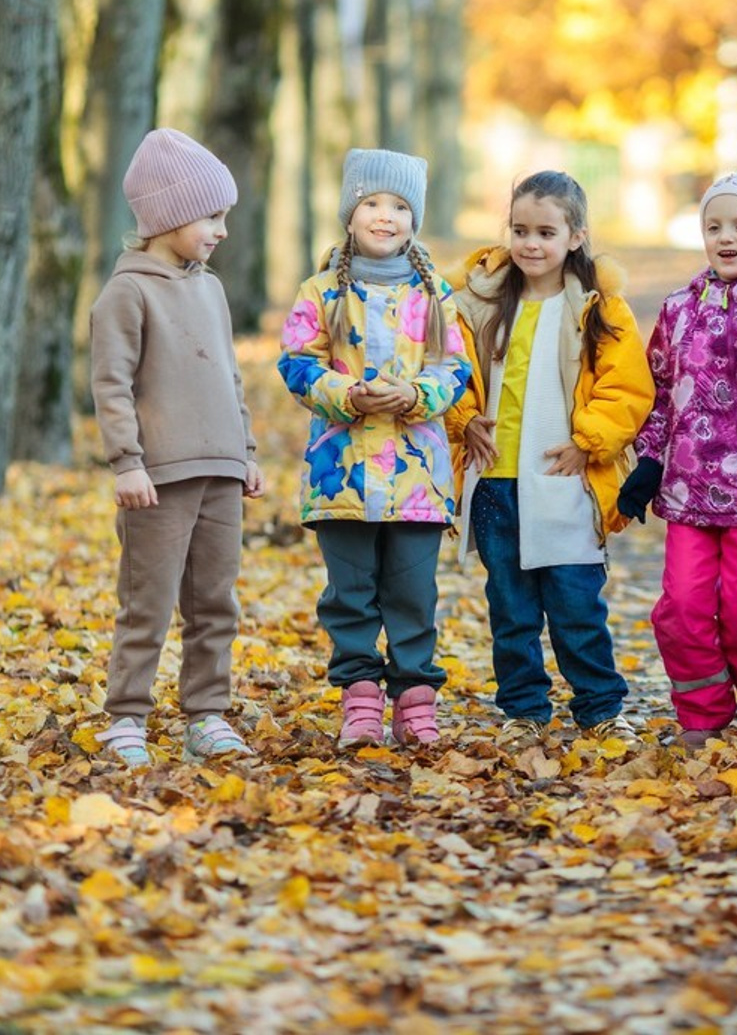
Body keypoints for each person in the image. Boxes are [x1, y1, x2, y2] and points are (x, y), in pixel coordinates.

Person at [445, 171, 655, 749]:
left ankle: (600, 706)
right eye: (519, 230)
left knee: (575, 603)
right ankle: (524, 707)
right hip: (495, 481)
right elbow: (454, 372)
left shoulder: (598, 310)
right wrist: (465, 419)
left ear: (576, 236)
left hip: (566, 479)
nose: (530, 243)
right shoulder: (481, 303)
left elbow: (626, 388)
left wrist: (589, 439)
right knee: (510, 606)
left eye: (545, 231)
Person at [278, 149, 469, 750]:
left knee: (413, 593)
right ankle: (359, 697)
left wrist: (416, 395)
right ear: (350, 213)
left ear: (414, 219)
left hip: (417, 480)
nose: (385, 216)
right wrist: (346, 394)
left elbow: (455, 366)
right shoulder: (321, 290)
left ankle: (416, 698)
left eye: (400, 206)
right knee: (350, 594)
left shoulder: (435, 292)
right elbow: (296, 362)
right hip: (343, 477)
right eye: (372, 204)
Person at [616, 170, 737, 748]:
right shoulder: (679, 309)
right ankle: (702, 715)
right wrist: (649, 463)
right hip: (687, 494)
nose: (726, 237)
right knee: (681, 607)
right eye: (714, 226)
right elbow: (660, 393)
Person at [90, 128, 264, 768]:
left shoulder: (210, 288)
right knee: (148, 603)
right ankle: (126, 717)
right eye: (210, 215)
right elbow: (111, 385)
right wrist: (127, 462)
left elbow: (230, 375)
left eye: (224, 216)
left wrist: (244, 450)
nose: (221, 229)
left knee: (216, 602)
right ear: (166, 215)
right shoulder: (126, 292)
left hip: (221, 470)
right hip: (158, 477)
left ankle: (207, 715)